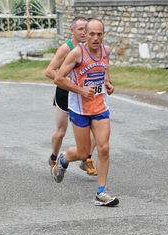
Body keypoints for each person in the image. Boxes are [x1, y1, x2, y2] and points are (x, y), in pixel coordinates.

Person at [53, 18, 119, 206]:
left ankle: (101, 192)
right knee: (83, 154)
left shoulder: (106, 51)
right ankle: (64, 159)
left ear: (103, 35)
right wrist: (81, 90)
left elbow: (104, 70)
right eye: (92, 34)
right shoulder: (76, 54)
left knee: (103, 147)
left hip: (100, 107)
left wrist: (108, 83)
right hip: (80, 108)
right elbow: (59, 78)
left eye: (99, 34)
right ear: (85, 35)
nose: (96, 38)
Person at [45, 17, 98, 177]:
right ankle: (54, 157)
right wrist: (67, 80)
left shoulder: (90, 48)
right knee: (61, 132)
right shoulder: (66, 49)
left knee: (95, 130)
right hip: (65, 93)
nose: (83, 32)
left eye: (85, 29)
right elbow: (49, 71)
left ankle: (85, 158)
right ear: (72, 30)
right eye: (80, 29)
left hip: (84, 95)